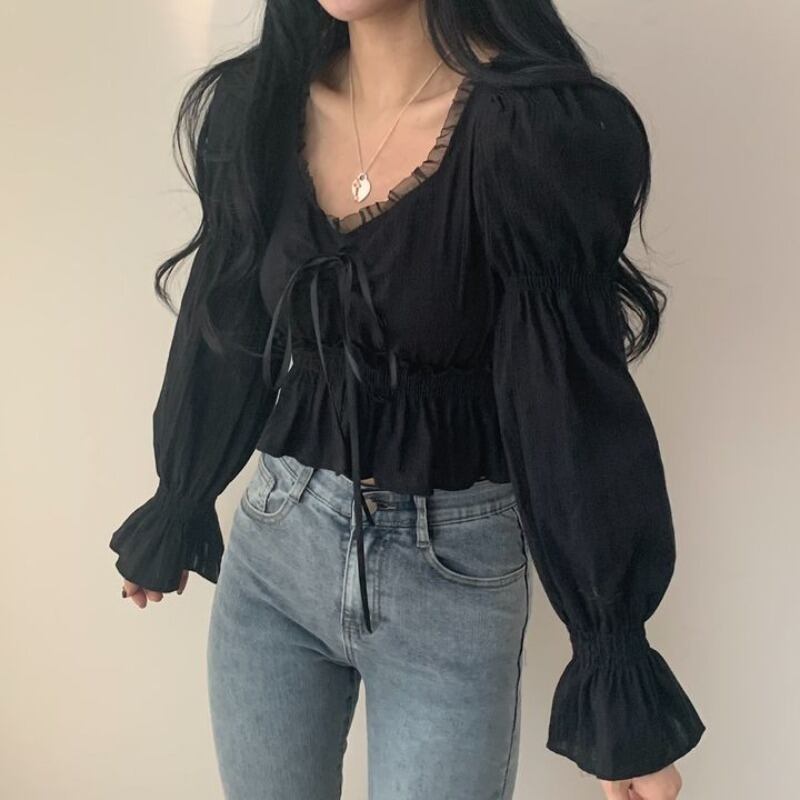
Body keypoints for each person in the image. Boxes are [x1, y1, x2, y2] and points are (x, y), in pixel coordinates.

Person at [108, 1, 705, 798]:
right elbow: (227, 327)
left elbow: (568, 404)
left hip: (451, 575)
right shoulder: (260, 106)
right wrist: (180, 498)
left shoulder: (529, 132)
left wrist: (613, 660)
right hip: (277, 550)